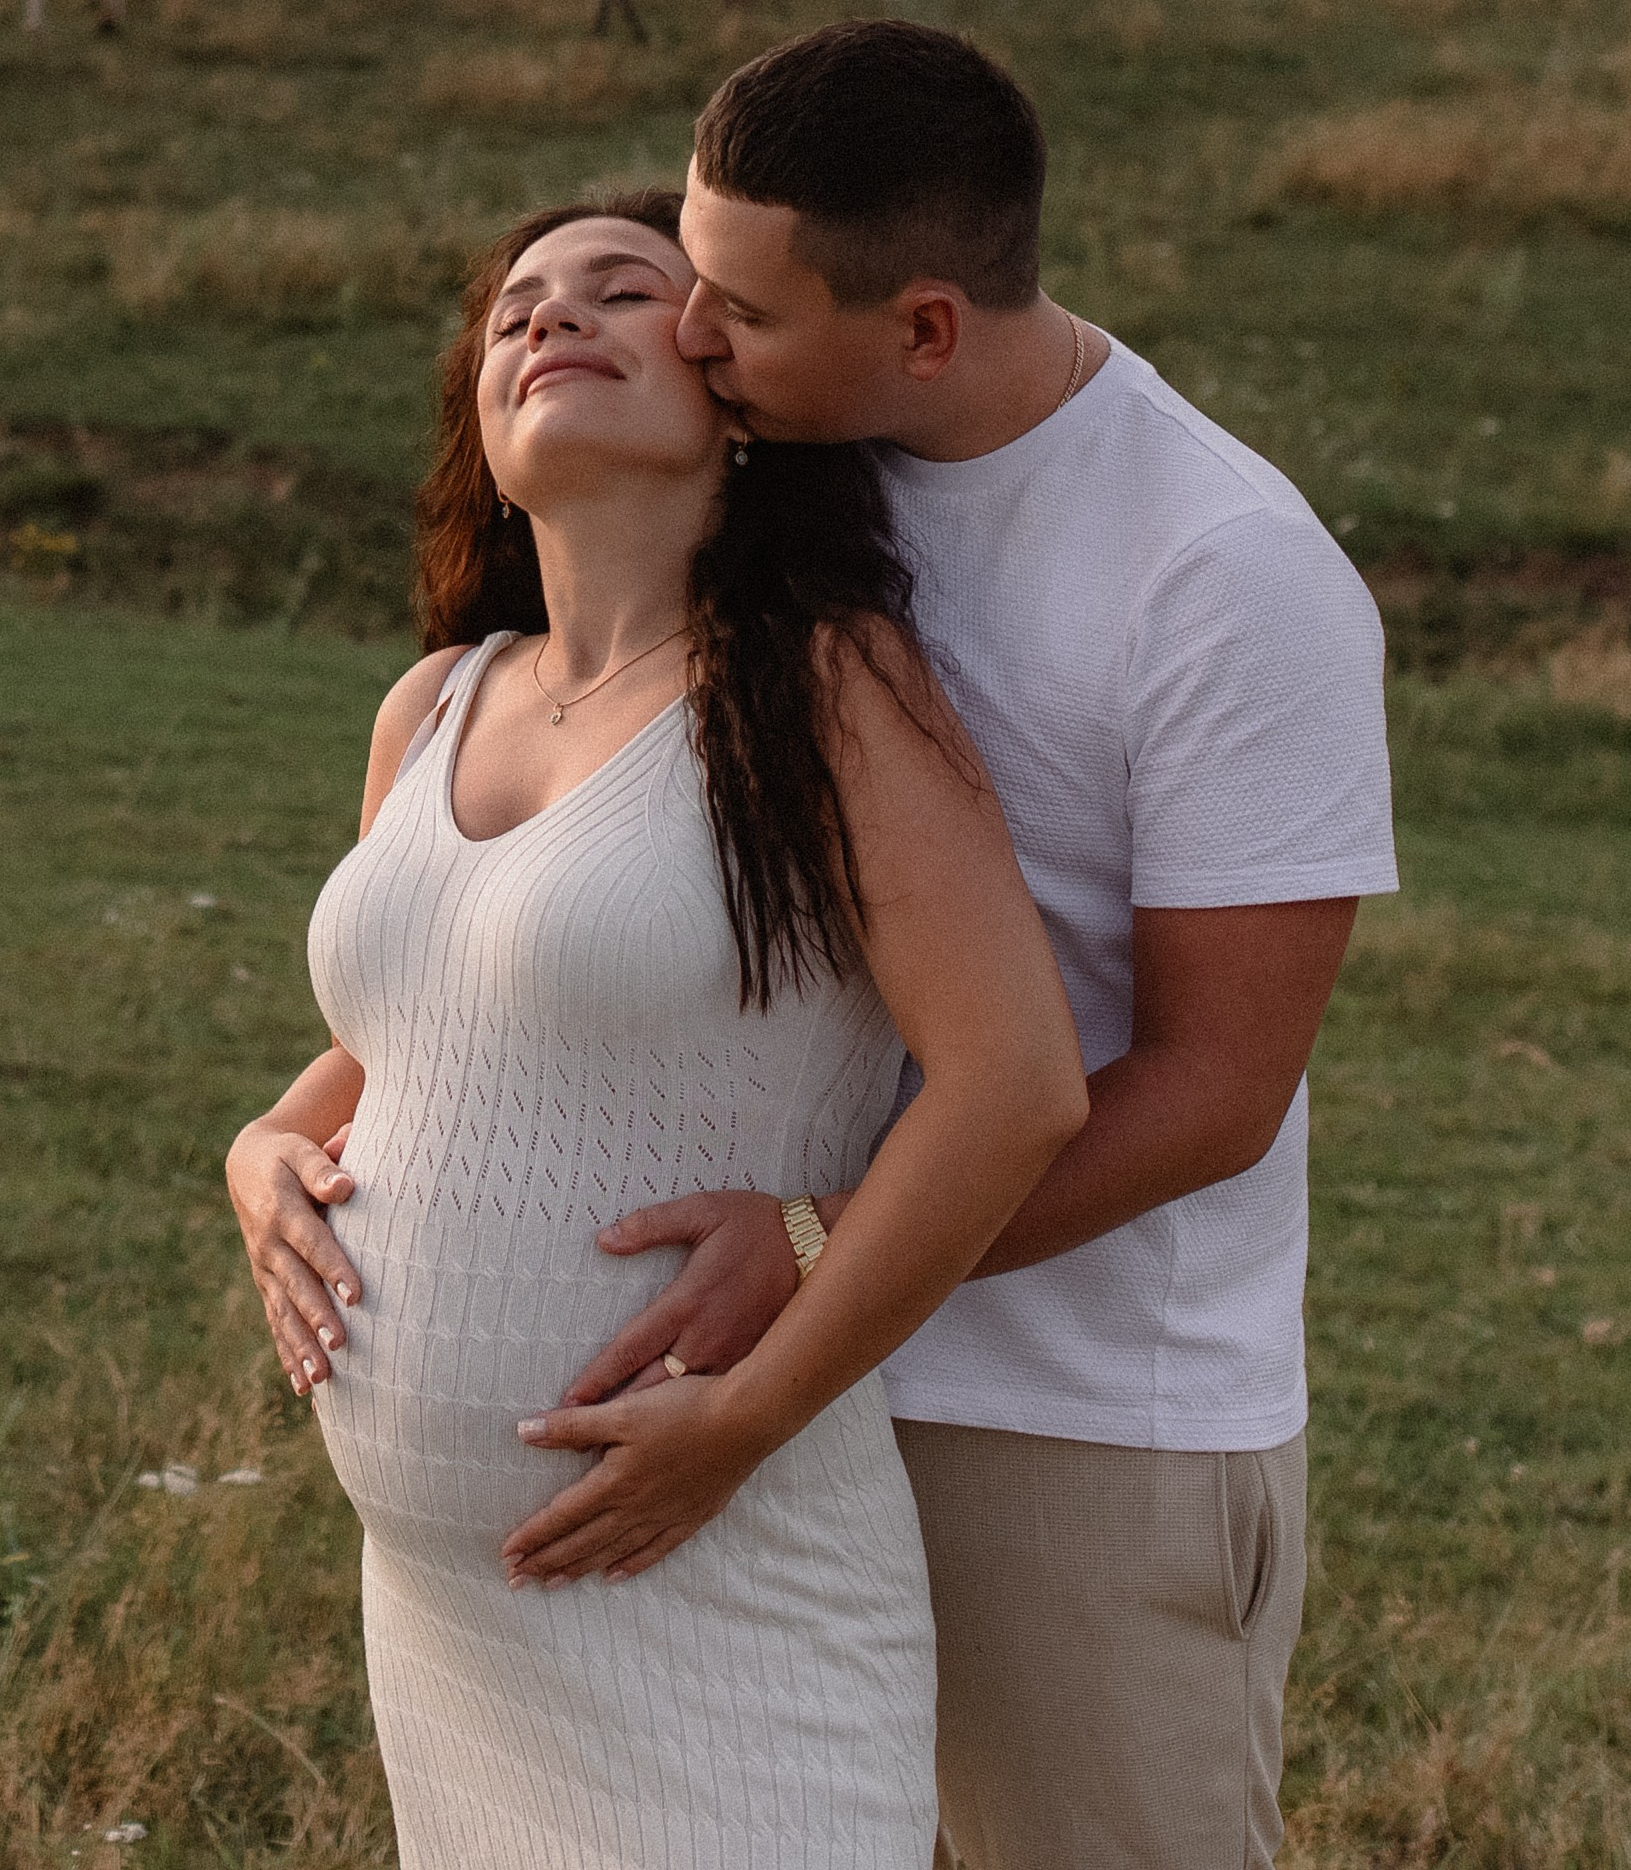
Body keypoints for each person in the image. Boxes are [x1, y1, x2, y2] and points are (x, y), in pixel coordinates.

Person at [529, 23, 1398, 1870]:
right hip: (766, 1383)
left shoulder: (1224, 573)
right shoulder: (786, 473)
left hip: (1065, 1420)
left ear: (924, 325)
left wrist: (818, 1252)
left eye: (741, 317)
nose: (693, 339)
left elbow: (1215, 1092)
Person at [227, 191, 1086, 1869]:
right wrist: (260, 1143)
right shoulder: (436, 702)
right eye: (515, 312)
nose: (554, 319)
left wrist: (745, 1424)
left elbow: (1016, 1088)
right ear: (481, 422)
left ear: (731, 395)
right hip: (449, 1620)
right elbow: (437, 1026)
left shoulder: (824, 686)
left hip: (724, 1565)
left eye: (626, 293)